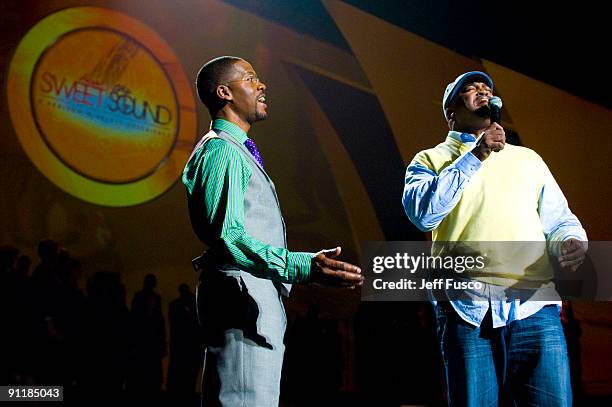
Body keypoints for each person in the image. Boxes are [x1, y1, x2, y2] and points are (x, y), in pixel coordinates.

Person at [183, 56, 363, 406]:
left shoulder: (235, 151)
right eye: (250, 79)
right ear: (225, 92)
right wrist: (304, 266)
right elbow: (228, 237)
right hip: (241, 296)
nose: (262, 85)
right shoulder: (222, 150)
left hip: (250, 296)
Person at [402, 71, 587, 406]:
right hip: (467, 309)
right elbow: (424, 215)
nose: (482, 92)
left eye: (487, 89)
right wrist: (475, 155)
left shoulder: (527, 159)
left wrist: (569, 241)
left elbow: (560, 220)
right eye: (470, 90)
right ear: (451, 113)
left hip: (533, 305)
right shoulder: (429, 160)